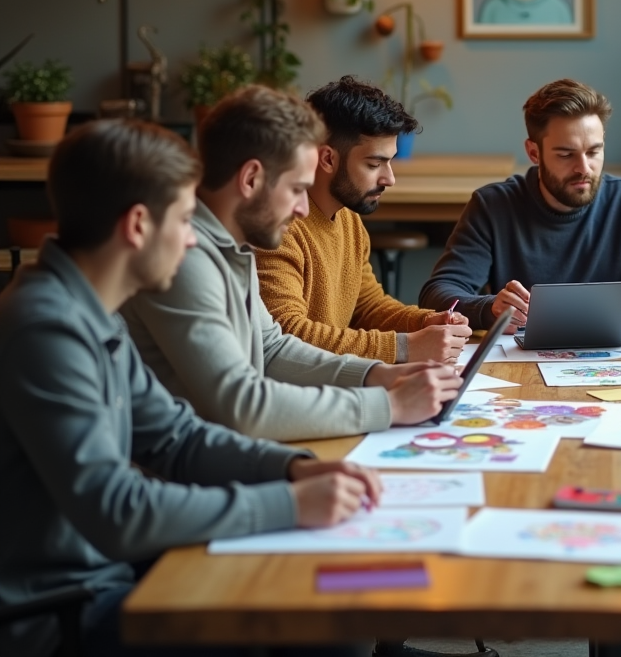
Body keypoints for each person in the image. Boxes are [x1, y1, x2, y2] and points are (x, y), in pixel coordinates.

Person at [0, 120, 376, 657]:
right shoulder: (46, 327)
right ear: (137, 226)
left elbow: (177, 437)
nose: (195, 236)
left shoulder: (88, 309)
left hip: (110, 577)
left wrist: (292, 468)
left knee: (330, 615)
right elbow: (116, 510)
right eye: (182, 219)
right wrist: (290, 503)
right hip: (63, 612)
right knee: (311, 622)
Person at [123, 86, 461, 442]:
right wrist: (389, 405)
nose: (303, 208)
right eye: (298, 188)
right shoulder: (184, 256)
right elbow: (242, 406)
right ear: (251, 179)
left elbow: (273, 348)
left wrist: (379, 375)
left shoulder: (230, 246)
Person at [418, 78, 621, 335]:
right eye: (566, 154)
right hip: (517, 360)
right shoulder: (493, 206)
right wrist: (490, 309)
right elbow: (437, 293)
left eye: (594, 152)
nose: (584, 168)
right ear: (534, 152)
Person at [256, 76, 471, 365]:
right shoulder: (278, 226)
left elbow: (367, 306)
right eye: (374, 164)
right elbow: (286, 336)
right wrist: (405, 346)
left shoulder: (348, 219)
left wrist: (425, 322)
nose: (389, 178)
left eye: (390, 161)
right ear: (327, 159)